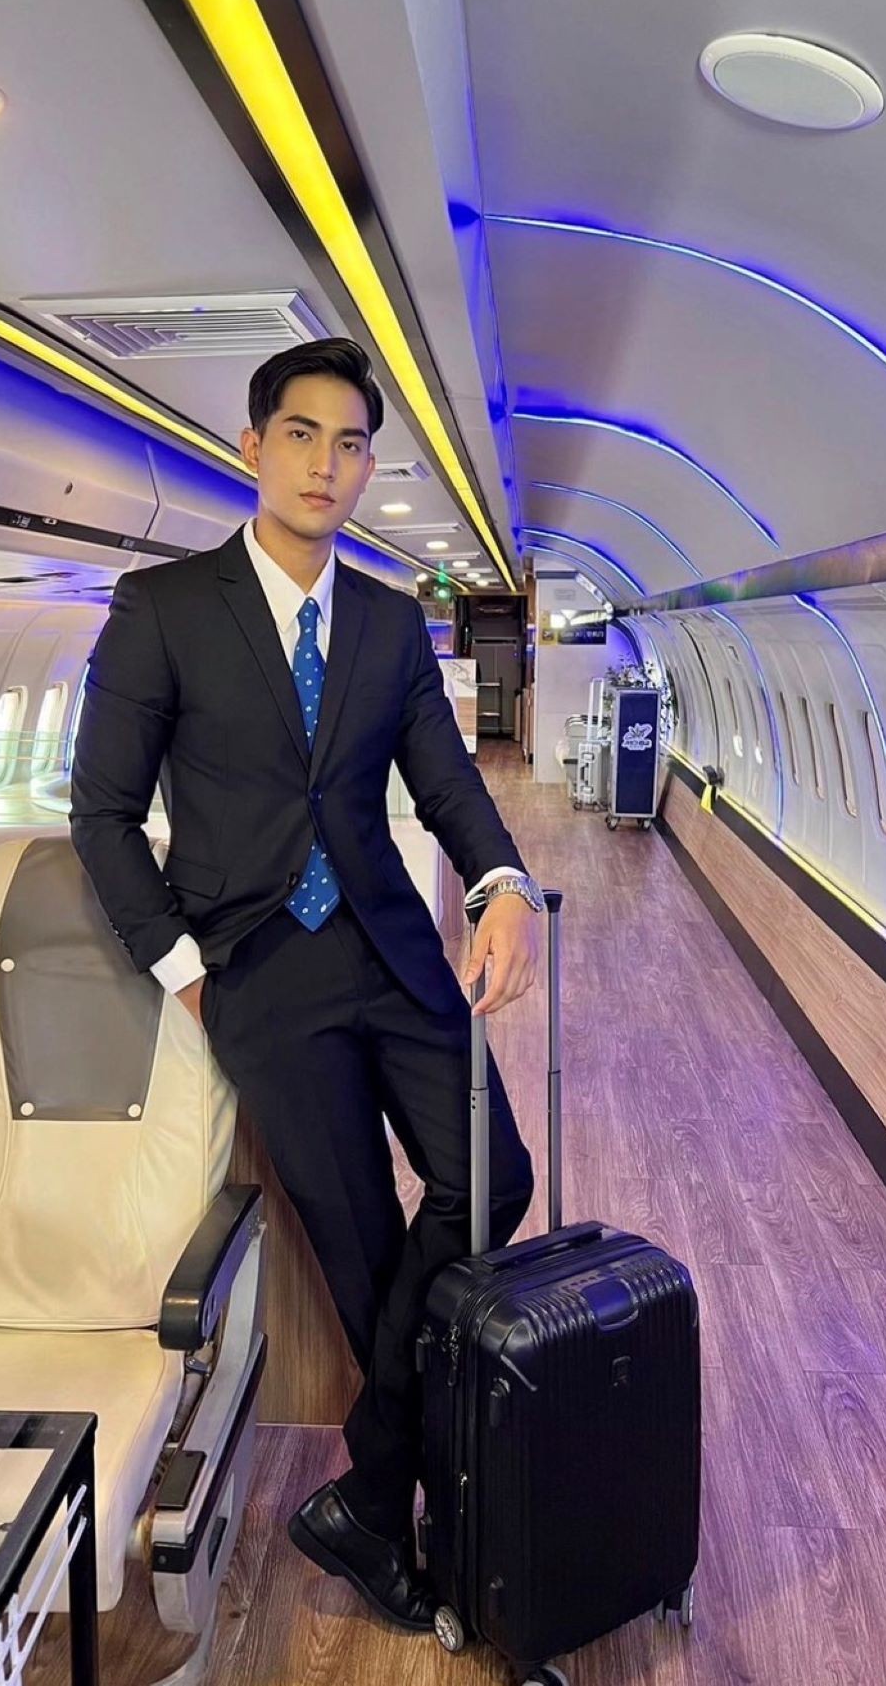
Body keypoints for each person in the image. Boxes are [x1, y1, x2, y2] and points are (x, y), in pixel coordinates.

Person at [70, 337, 542, 1632]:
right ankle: (410, 1499)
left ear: (367, 466)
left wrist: (503, 884)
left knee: (495, 1178)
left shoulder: (387, 623)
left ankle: (369, 1491)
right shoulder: (163, 609)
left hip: (390, 950)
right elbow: (102, 813)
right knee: (364, 1245)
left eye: (349, 444)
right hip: (261, 975)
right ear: (252, 446)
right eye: (300, 434)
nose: (325, 464)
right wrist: (185, 972)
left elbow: (444, 781)